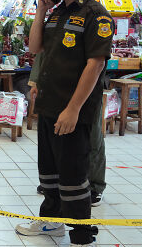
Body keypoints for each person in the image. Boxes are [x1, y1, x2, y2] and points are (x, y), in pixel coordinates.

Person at [15, 0, 113, 247]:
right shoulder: (56, 11)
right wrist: (41, 9)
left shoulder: (95, 15)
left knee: (73, 178)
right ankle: (51, 219)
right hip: (49, 106)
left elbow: (95, 66)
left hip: (73, 111)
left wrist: (72, 110)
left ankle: (84, 241)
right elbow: (34, 48)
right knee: (51, 174)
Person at [30, 53, 106, 205]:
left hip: (85, 90)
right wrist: (36, 79)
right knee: (57, 138)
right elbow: (46, 48)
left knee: (92, 137)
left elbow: (97, 61)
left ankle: (94, 185)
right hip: (57, 88)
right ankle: (60, 182)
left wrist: (75, 107)